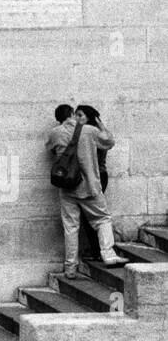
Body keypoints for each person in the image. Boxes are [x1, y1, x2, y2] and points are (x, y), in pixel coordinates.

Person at [46, 102, 127, 279]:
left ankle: (70, 268)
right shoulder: (89, 131)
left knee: (71, 227)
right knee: (102, 219)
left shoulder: (54, 133)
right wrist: (99, 123)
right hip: (89, 186)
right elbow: (109, 142)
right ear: (73, 113)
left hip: (67, 188)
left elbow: (51, 149)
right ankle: (108, 254)